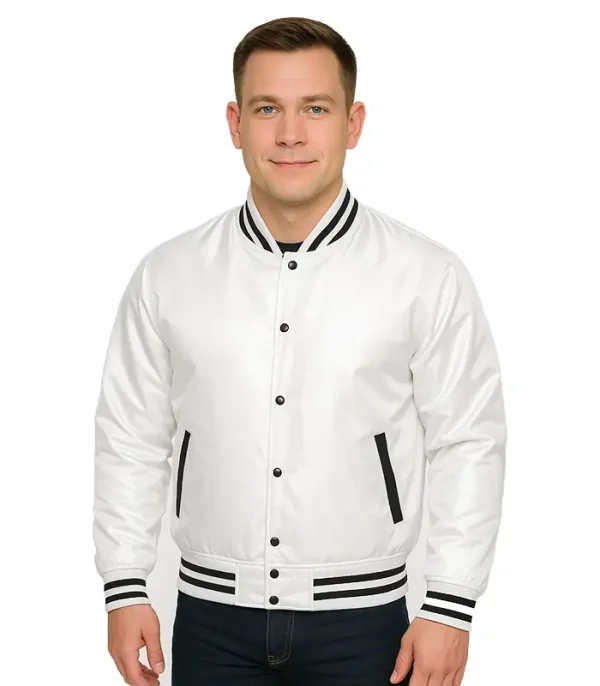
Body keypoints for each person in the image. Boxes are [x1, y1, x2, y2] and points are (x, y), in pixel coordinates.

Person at [92, 15, 507, 686]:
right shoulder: (169, 274)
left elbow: (469, 439)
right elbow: (130, 435)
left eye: (315, 108)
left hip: (366, 624)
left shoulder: (425, 275)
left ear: (353, 123)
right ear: (235, 124)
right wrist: (124, 583)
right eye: (267, 109)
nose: (290, 133)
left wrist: (451, 605)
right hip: (210, 621)